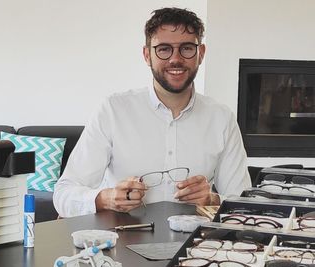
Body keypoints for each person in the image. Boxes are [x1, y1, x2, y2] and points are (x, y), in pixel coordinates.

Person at [53, 7, 251, 217]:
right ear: (147, 55)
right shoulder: (113, 110)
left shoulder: (222, 118)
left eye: (186, 48)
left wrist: (212, 200)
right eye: (164, 49)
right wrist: (108, 198)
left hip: (198, 246)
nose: (176, 59)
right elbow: (64, 194)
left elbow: (244, 203)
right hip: (121, 242)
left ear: (200, 53)